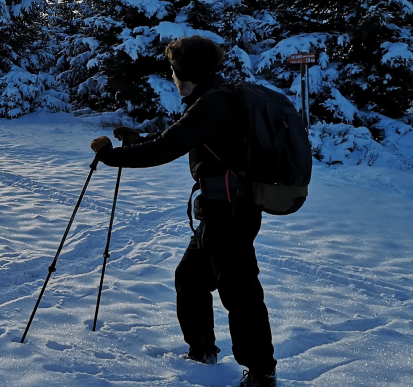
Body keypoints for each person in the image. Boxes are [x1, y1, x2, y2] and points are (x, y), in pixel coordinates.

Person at [90, 36, 277, 387]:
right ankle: (202, 351)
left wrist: (112, 157)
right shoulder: (214, 98)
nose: (172, 77)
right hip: (221, 210)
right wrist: (137, 139)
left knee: (240, 293)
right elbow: (181, 135)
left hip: (231, 213)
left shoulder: (213, 103)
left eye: (173, 70)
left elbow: (166, 147)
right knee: (190, 278)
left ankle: (262, 372)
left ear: (181, 71)